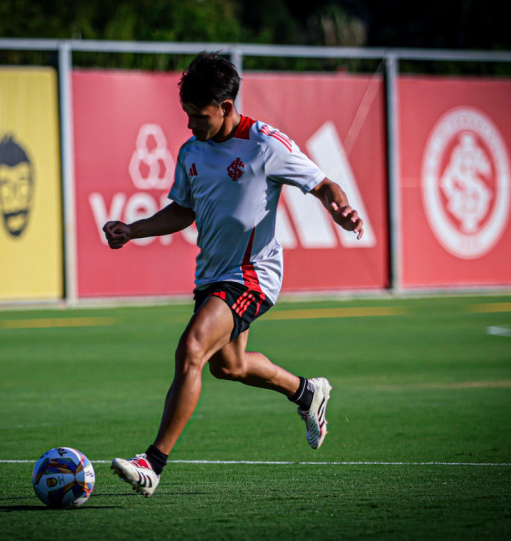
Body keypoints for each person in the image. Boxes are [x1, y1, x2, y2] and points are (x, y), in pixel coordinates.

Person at [103, 52, 364, 497]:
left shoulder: (266, 144)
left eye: (198, 116)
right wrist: (133, 230)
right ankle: (307, 393)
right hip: (212, 275)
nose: (190, 125)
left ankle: (153, 463)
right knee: (230, 366)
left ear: (226, 107)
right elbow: (184, 210)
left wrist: (338, 207)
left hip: (253, 274)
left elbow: (321, 183)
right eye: (186, 115)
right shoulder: (191, 151)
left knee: (192, 349)